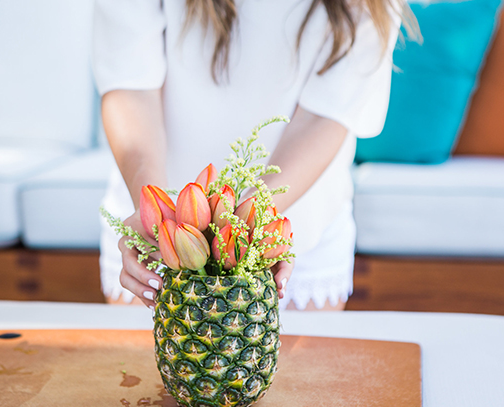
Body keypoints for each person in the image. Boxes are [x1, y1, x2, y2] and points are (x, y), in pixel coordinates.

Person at [93, 0, 418, 310]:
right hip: (154, 234)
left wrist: (251, 223)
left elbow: (326, 116)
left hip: (293, 226)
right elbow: (130, 86)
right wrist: (155, 211)